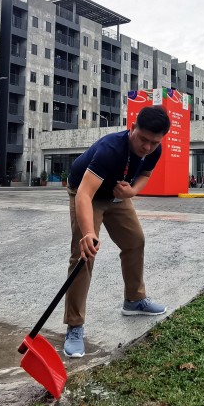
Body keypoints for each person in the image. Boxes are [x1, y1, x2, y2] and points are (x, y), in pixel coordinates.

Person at [61, 105, 172, 358]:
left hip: (117, 195)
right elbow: (84, 194)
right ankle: (75, 326)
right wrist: (88, 233)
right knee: (83, 255)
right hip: (85, 194)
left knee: (135, 241)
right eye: (143, 139)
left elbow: (145, 173)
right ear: (132, 127)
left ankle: (133, 300)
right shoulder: (110, 149)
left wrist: (132, 192)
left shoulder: (155, 149)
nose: (147, 147)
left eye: (154, 143)